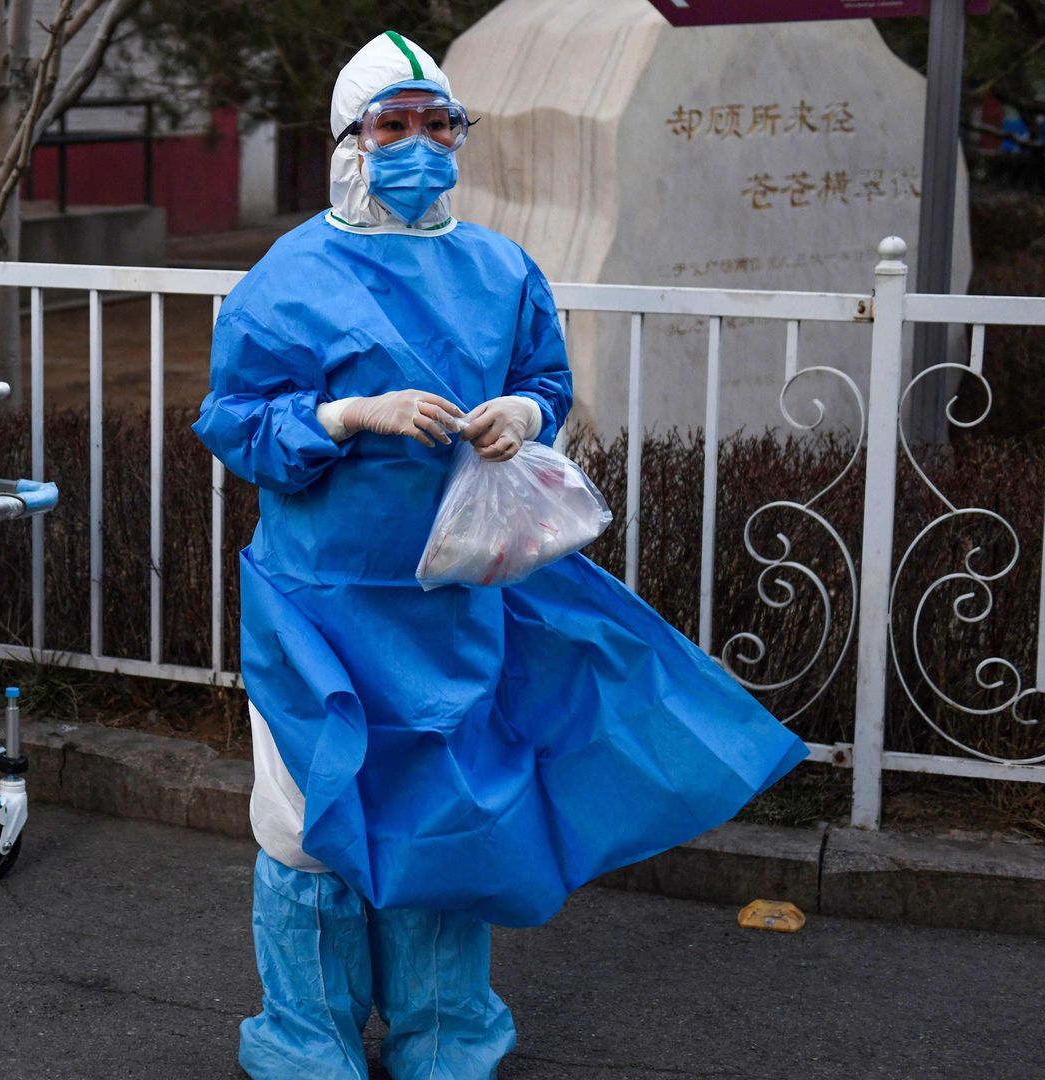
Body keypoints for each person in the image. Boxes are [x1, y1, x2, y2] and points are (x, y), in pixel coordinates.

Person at [193, 30, 807, 1080]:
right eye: (397, 124)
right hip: (321, 602)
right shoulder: (285, 276)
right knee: (307, 826)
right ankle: (309, 1037)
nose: (422, 145)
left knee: (450, 815)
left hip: (455, 599)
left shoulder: (499, 266)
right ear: (351, 141)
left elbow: (546, 380)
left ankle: (446, 1033)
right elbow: (236, 418)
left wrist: (521, 411)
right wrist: (346, 415)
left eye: (441, 124)